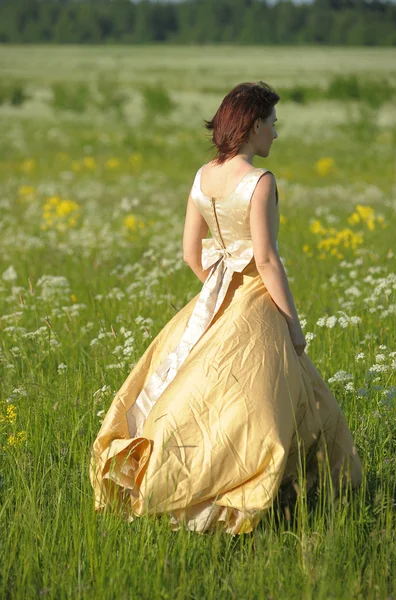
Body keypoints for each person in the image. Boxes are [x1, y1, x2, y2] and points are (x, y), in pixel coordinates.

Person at [89, 81, 363, 535]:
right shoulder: (260, 182)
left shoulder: (202, 176)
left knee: (203, 396)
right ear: (254, 126)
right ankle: (277, 496)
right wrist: (293, 326)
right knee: (266, 406)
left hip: (214, 298)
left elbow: (190, 255)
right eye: (273, 125)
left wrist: (218, 287)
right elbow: (267, 260)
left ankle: (188, 484)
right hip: (256, 302)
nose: (276, 134)